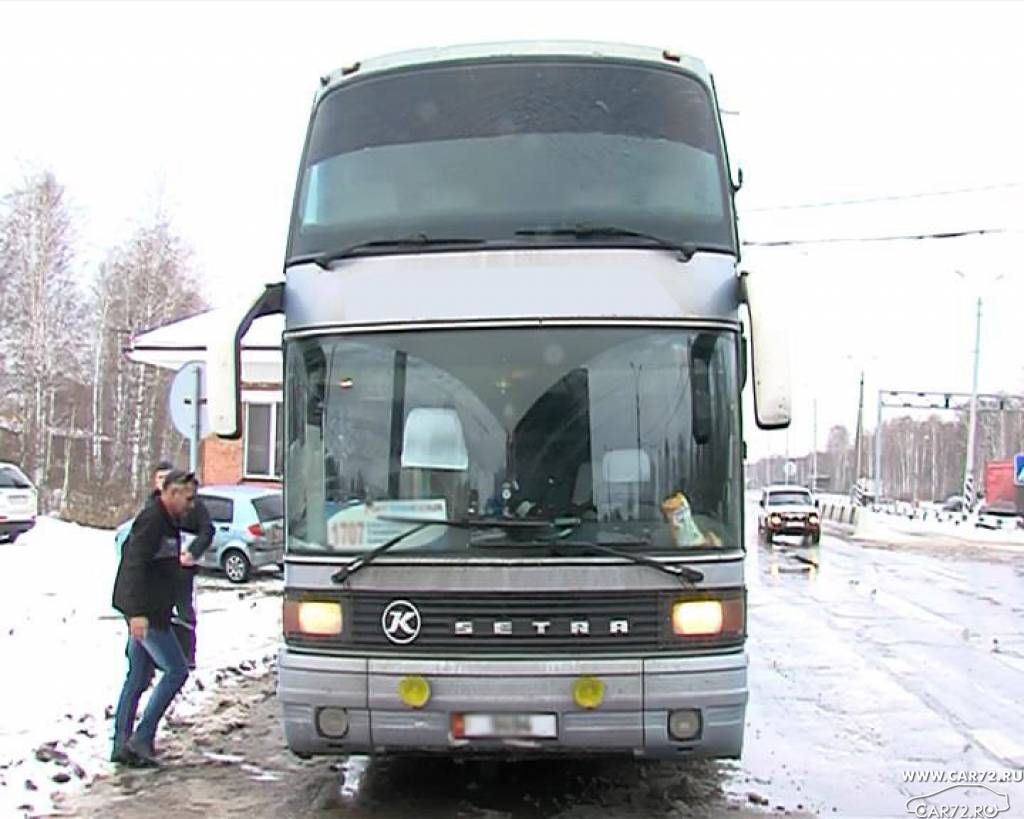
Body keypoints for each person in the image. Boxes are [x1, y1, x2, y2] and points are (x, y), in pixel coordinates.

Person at [110, 469, 195, 767]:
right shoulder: (153, 520)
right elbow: (133, 565)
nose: (191, 504)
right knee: (176, 670)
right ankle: (141, 739)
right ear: (170, 494)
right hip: (146, 615)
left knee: (137, 676)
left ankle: (121, 744)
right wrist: (137, 614)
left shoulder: (169, 520)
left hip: (151, 611)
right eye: (187, 498)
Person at [174, 474, 214, 670]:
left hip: (183, 568)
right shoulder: (155, 507)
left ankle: (188, 654)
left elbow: (208, 531)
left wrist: (192, 552)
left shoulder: (196, 508)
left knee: (185, 612)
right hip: (162, 569)